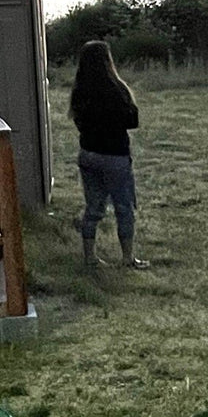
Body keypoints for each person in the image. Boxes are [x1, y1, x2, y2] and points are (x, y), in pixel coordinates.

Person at [69, 40, 149, 269]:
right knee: (124, 208)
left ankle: (89, 256)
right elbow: (132, 121)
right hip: (115, 155)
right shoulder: (117, 89)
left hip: (88, 154)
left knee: (93, 208)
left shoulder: (79, 91)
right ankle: (127, 258)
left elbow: (79, 122)